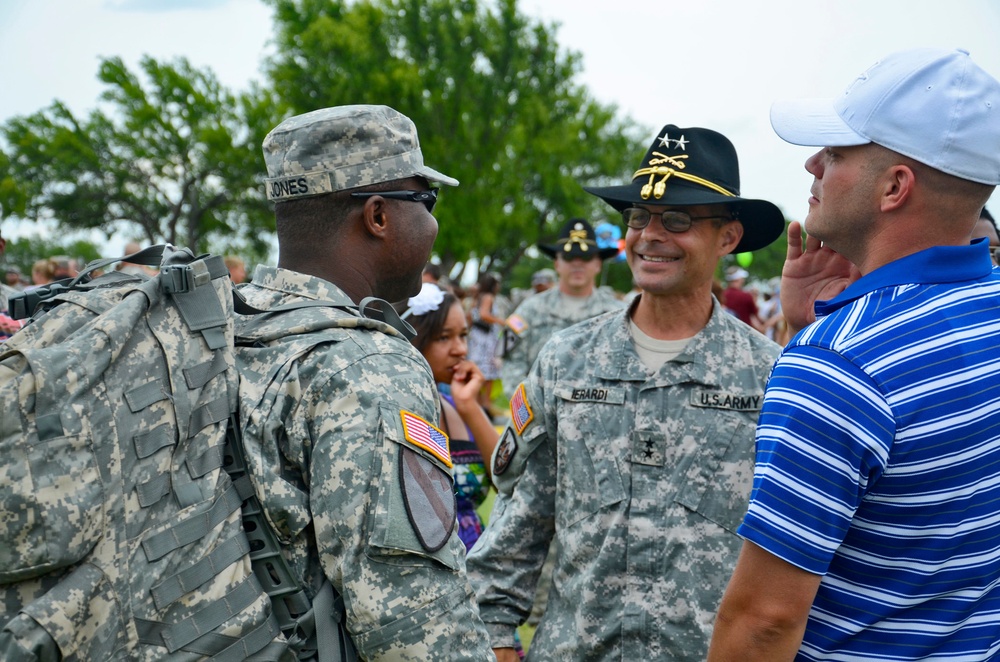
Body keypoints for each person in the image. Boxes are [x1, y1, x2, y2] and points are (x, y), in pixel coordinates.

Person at [709, 48, 1000, 661]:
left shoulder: (843, 363)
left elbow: (764, 620)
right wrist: (804, 324)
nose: (813, 164)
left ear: (894, 187)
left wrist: (819, 346)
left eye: (837, 152)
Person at [467, 123, 786, 661]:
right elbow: (518, 526)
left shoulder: (768, 375)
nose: (649, 235)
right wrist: (497, 639)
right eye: (638, 218)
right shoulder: (567, 359)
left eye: (678, 220)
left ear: (728, 237)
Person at [234, 104, 493, 659]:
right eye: (426, 201)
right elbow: (411, 618)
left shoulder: (227, 327)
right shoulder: (366, 365)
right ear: (377, 215)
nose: (432, 224)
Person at [395, 281, 499, 551]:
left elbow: (507, 480)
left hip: (475, 569)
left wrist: (468, 406)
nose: (460, 349)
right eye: (444, 337)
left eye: (463, 335)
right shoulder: (396, 413)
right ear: (411, 338)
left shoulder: (456, 406)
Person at [499, 218, 625, 401]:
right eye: (568, 257)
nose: (577, 264)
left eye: (586, 257)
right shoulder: (530, 310)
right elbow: (512, 364)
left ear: (598, 264)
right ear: (556, 263)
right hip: (540, 418)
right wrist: (529, 407)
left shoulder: (617, 314)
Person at [467, 271, 505, 414]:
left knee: (476, 369)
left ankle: (477, 402)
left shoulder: (478, 296)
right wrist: (501, 321)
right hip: (486, 339)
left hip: (476, 337)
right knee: (487, 371)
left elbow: (471, 315)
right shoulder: (489, 297)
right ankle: (486, 404)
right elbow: (484, 315)